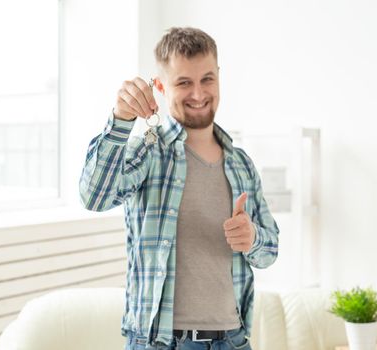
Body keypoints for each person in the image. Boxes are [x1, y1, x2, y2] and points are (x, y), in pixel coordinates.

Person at [80, 27, 279, 350]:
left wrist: (252, 237)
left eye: (207, 79)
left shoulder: (242, 164)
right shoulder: (148, 151)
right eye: (184, 82)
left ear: (219, 77)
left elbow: (270, 252)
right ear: (159, 86)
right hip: (160, 342)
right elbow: (94, 196)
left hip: (232, 340)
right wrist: (120, 119)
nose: (198, 94)